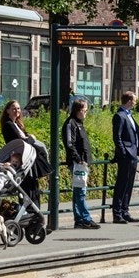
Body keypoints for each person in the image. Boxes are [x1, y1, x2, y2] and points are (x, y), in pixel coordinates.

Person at [1, 99, 51, 231]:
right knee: (28, 190)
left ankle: (36, 220)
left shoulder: (17, 124)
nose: (16, 110)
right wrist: (30, 138)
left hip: (27, 159)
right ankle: (33, 220)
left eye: (18, 108)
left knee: (33, 189)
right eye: (13, 108)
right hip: (21, 160)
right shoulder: (8, 125)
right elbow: (21, 141)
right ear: (7, 111)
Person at [61, 98, 99, 229]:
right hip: (78, 162)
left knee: (79, 190)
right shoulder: (71, 123)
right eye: (84, 110)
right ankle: (85, 218)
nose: (86, 113)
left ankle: (80, 218)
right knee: (80, 191)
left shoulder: (78, 123)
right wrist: (77, 158)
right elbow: (69, 144)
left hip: (82, 162)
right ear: (78, 110)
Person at [111, 91, 139, 224]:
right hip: (127, 155)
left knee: (129, 184)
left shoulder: (129, 115)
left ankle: (125, 211)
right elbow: (117, 136)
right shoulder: (119, 116)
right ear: (129, 101)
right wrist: (123, 152)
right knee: (122, 184)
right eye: (134, 100)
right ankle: (117, 213)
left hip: (133, 154)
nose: (136, 102)